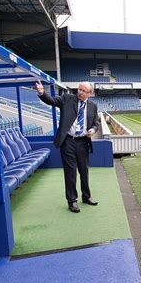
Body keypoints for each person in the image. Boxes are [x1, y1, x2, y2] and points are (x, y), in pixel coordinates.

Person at [36, 80, 100, 213]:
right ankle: (72, 201)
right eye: (79, 89)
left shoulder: (93, 106)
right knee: (70, 172)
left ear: (90, 93)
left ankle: (86, 196)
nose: (80, 92)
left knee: (84, 171)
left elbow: (96, 123)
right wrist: (42, 93)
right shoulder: (67, 98)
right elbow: (52, 101)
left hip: (83, 142)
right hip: (68, 142)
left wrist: (93, 130)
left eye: (83, 91)